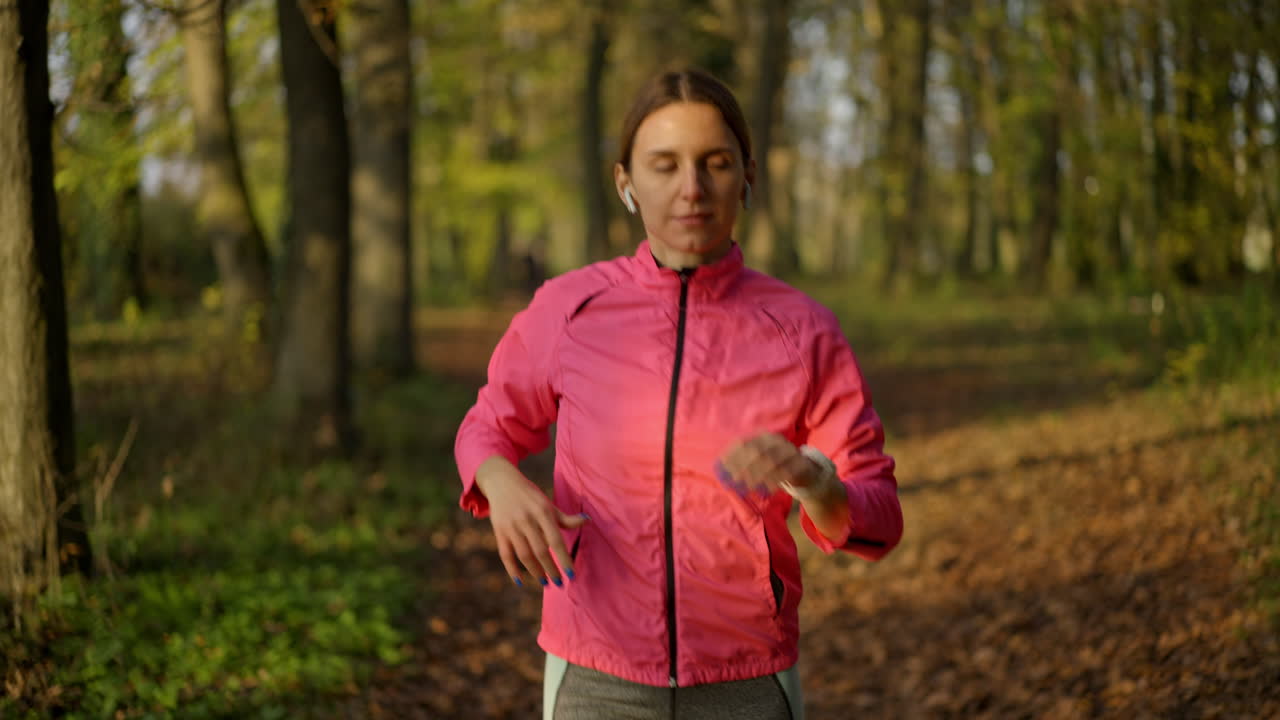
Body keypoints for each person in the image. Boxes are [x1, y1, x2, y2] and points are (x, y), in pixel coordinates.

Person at [454, 68, 903, 720]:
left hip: (746, 678)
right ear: (626, 182)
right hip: (595, 675)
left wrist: (815, 481)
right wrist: (499, 482)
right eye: (664, 166)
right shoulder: (569, 308)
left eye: (715, 163)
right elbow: (486, 427)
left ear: (747, 175)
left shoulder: (803, 330)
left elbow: (879, 515)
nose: (692, 188)